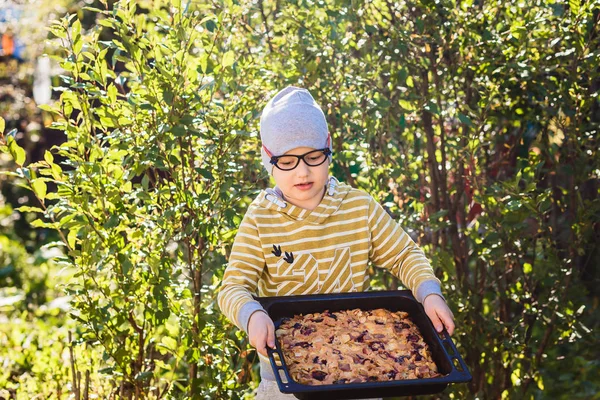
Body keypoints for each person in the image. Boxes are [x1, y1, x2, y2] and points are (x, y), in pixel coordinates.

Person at [217, 86, 455, 400]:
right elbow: (233, 287)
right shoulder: (261, 219)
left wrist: (428, 292)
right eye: (287, 161)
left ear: (328, 146)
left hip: (361, 367)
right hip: (284, 375)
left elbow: (403, 254)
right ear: (267, 157)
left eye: (313, 157)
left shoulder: (359, 207)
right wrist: (252, 314)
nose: (302, 171)